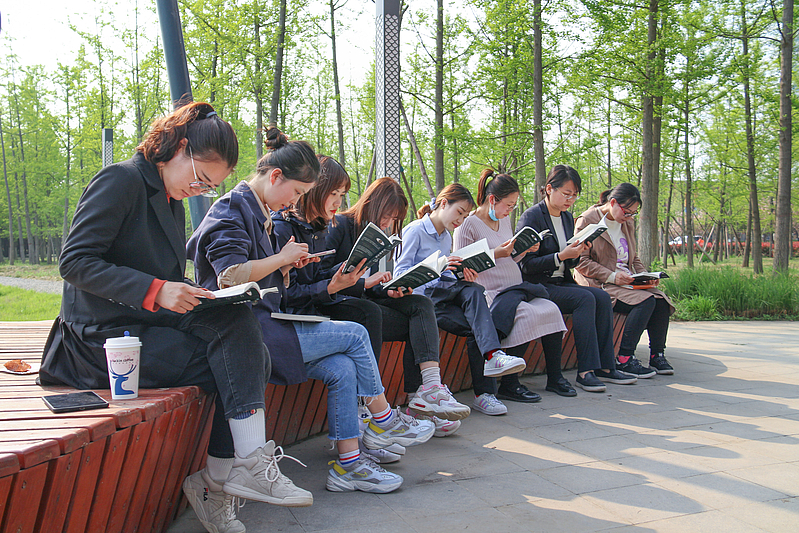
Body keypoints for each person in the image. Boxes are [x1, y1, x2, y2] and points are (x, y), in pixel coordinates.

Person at [37, 102, 308, 533]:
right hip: (98, 340)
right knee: (241, 360)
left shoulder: (170, 196)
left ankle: (240, 468)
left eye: (209, 187)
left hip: (141, 323)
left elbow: (155, 269)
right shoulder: (120, 180)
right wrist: (157, 289)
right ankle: (219, 481)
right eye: (200, 179)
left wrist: (193, 292)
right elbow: (75, 262)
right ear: (179, 148)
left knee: (241, 327)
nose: (199, 190)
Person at [187, 128, 435, 499]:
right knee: (356, 332)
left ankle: (349, 466)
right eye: (298, 192)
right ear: (275, 177)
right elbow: (230, 275)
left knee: (343, 367)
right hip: (248, 333)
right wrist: (281, 259)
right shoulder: (232, 209)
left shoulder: (261, 212)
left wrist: (286, 267)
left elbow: (270, 281)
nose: (296, 201)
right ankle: (384, 419)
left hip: (269, 326)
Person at [321, 177, 471, 433]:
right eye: (387, 216)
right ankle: (366, 404)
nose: (389, 224)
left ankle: (426, 393)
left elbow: (368, 285)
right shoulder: (340, 225)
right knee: (371, 312)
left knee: (420, 306)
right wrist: (365, 284)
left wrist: (388, 288)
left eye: (394, 219)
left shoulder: (378, 232)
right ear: (373, 204)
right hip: (337, 304)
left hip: (363, 301)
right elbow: (323, 278)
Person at [394, 182, 529, 416]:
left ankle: (489, 374)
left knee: (474, 294)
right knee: (474, 312)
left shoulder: (445, 237)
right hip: (420, 301)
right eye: (459, 212)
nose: (461, 220)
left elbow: (445, 275)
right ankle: (419, 400)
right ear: (443, 203)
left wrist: (460, 272)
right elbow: (400, 274)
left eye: (465, 216)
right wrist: (438, 267)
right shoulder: (415, 230)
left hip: (440, 297)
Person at [454, 170, 588, 400]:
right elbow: (462, 266)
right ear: (492, 199)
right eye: (508, 205)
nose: (510, 210)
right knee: (526, 315)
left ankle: (555, 377)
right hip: (491, 291)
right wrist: (498, 253)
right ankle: (510, 383)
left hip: (516, 288)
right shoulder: (468, 225)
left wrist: (523, 250)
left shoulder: (504, 220)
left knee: (550, 309)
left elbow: (511, 257)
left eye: (513, 206)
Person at [516, 165, 638, 392]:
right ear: (549, 189)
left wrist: (578, 252)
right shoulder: (532, 217)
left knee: (602, 297)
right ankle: (585, 372)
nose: (570, 200)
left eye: (574, 195)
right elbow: (525, 265)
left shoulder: (566, 217)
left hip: (561, 282)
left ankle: (606, 366)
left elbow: (569, 262)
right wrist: (560, 256)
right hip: (537, 285)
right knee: (585, 299)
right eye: (566, 194)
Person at [573, 182, 675, 377]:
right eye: (627, 212)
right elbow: (580, 262)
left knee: (661, 301)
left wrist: (645, 277)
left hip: (626, 281)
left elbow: (633, 258)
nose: (629, 217)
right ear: (613, 203)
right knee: (646, 301)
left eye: (633, 214)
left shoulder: (626, 222)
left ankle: (657, 355)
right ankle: (624, 358)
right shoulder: (588, 220)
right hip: (600, 282)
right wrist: (612, 276)